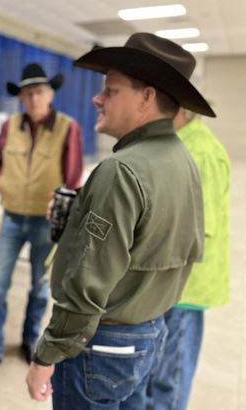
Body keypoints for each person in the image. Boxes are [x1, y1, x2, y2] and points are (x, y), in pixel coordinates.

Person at [25, 32, 216, 408]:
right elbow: (157, 238)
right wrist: (83, 209)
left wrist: (47, 355)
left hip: (100, 344)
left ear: (146, 97)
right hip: (148, 333)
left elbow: (87, 282)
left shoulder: (121, 171)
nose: (97, 98)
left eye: (110, 90)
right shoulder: (182, 159)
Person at [0, 63, 84, 381]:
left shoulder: (68, 127)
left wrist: (63, 208)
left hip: (45, 223)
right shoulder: (11, 126)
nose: (33, 98)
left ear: (50, 94)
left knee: (39, 288)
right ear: (21, 98)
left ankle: (29, 341)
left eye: (39, 92)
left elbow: (74, 177)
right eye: (27, 94)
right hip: (11, 217)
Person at [147, 108, 231, 410]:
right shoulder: (178, 143)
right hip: (168, 283)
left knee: (170, 378)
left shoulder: (202, 152)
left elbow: (197, 229)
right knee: (156, 370)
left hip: (187, 287)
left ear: (180, 109)